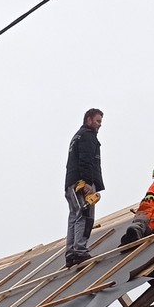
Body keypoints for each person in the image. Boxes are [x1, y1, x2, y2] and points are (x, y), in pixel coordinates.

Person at [64, 107, 104, 267]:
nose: (100, 125)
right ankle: (79, 251)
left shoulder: (77, 136)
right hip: (81, 182)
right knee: (85, 214)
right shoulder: (88, 136)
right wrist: (88, 182)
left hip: (71, 183)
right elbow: (86, 160)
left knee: (74, 217)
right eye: (98, 121)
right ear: (89, 120)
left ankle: (71, 254)